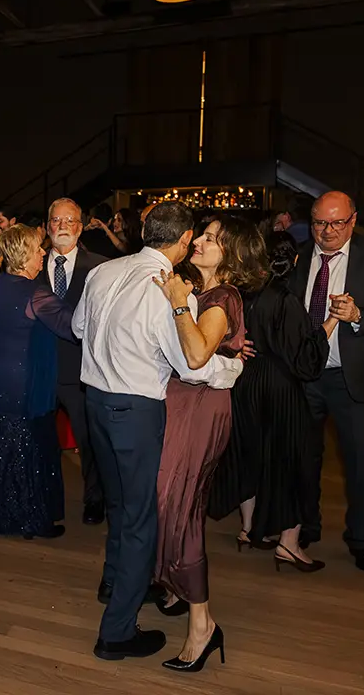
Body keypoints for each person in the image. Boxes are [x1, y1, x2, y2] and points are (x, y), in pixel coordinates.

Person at [73, 201, 243, 663]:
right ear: (184, 241)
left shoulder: (103, 272)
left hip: (94, 402)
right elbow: (191, 366)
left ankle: (114, 582)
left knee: (117, 502)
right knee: (140, 518)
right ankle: (117, 633)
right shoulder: (174, 293)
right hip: (136, 409)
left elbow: (78, 328)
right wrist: (231, 366)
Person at [152, 216, 265, 672]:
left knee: (179, 507)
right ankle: (178, 587)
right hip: (183, 403)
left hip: (199, 409)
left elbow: (197, 355)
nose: (197, 240)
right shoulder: (204, 292)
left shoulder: (223, 296)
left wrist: (180, 305)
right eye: (201, 234)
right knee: (170, 502)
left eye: (211, 239)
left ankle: (202, 624)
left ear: (231, 252)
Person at [287, 191, 364, 574]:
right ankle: (306, 526)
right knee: (303, 458)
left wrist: (358, 314)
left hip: (353, 378)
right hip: (304, 377)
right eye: (320, 222)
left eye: (336, 223)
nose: (326, 231)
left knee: (360, 462)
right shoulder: (299, 254)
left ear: (353, 221)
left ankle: (361, 539)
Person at [208, 232, 335, 569]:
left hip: (245, 381)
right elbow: (306, 360)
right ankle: (289, 544)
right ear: (293, 262)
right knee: (290, 461)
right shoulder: (285, 299)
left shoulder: (242, 293)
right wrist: (333, 321)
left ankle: (248, 530)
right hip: (279, 387)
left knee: (251, 453)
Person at [0, 224, 76, 538]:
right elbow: (75, 328)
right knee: (24, 449)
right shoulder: (35, 294)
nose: (43, 253)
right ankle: (28, 519)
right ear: (25, 255)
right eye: (39, 248)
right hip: (19, 381)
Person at [37, 198, 107, 525]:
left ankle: (95, 499)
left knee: (89, 442)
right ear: (47, 226)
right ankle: (43, 497)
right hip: (39, 370)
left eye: (70, 221)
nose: (62, 226)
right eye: (56, 220)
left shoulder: (102, 269)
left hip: (82, 372)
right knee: (39, 440)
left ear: (80, 227)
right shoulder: (29, 265)